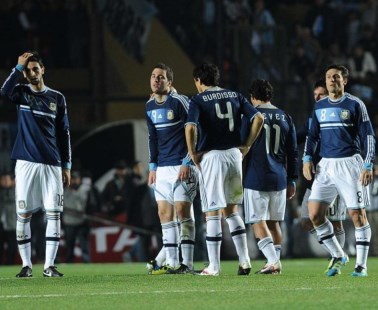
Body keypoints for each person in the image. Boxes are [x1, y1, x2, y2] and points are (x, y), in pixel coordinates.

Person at [185, 63, 264, 276]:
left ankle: (214, 266)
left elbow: (190, 126)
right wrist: (247, 145)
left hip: (212, 156)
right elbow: (258, 117)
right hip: (234, 156)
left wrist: (192, 152)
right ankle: (245, 260)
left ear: (199, 81)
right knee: (231, 211)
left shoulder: (198, 99)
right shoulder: (235, 95)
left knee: (212, 212)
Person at [0, 51, 71, 277]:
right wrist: (17, 68)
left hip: (52, 163)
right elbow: (3, 92)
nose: (32, 73)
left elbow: (64, 133)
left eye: (35, 69)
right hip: (26, 163)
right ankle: (26, 265)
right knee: (24, 215)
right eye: (28, 70)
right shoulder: (21, 93)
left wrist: (67, 165)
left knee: (54, 214)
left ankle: (49, 265)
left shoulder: (57, 98)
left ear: (43, 70)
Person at [303, 64, 375, 277]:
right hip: (326, 165)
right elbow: (312, 136)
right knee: (314, 214)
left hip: (349, 164)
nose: (331, 80)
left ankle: (361, 266)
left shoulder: (355, 104)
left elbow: (368, 136)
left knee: (357, 215)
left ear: (345, 81)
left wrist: (368, 163)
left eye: (336, 77)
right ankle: (339, 254)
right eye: (328, 77)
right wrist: (307, 158)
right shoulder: (319, 106)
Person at [241, 79, 298, 274]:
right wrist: (292, 179)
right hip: (280, 178)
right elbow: (293, 152)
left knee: (258, 222)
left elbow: (242, 146)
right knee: (274, 223)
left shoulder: (251, 116)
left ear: (253, 97)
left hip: (257, 176)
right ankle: (274, 263)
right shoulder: (285, 116)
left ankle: (273, 261)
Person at [146, 63, 197, 274]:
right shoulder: (149, 106)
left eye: (161, 77)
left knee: (183, 212)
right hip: (163, 169)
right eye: (153, 76)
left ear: (170, 82)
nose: (156, 80)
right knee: (164, 215)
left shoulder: (180, 101)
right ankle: (173, 263)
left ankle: (188, 263)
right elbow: (152, 138)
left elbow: (195, 131)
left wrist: (188, 161)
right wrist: (152, 167)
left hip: (183, 165)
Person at [297, 79, 347, 262]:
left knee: (336, 220)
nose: (317, 98)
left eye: (321, 95)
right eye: (315, 95)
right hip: (314, 177)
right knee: (305, 221)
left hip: (333, 174)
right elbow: (299, 137)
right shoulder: (312, 118)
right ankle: (336, 250)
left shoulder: (339, 115)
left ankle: (337, 257)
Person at [63, 170, 91, 263]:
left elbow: (92, 203)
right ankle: (69, 262)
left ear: (80, 179)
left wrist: (89, 213)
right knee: (69, 244)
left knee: (84, 244)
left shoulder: (86, 189)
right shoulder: (64, 189)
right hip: (69, 221)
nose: (74, 181)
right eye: (72, 178)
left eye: (76, 178)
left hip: (82, 221)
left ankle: (87, 262)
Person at [0, 171, 17, 264]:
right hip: (1, 222)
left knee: (12, 245)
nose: (5, 182)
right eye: (3, 179)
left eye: (7, 179)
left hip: (12, 223)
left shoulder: (16, 190)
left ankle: (11, 262)